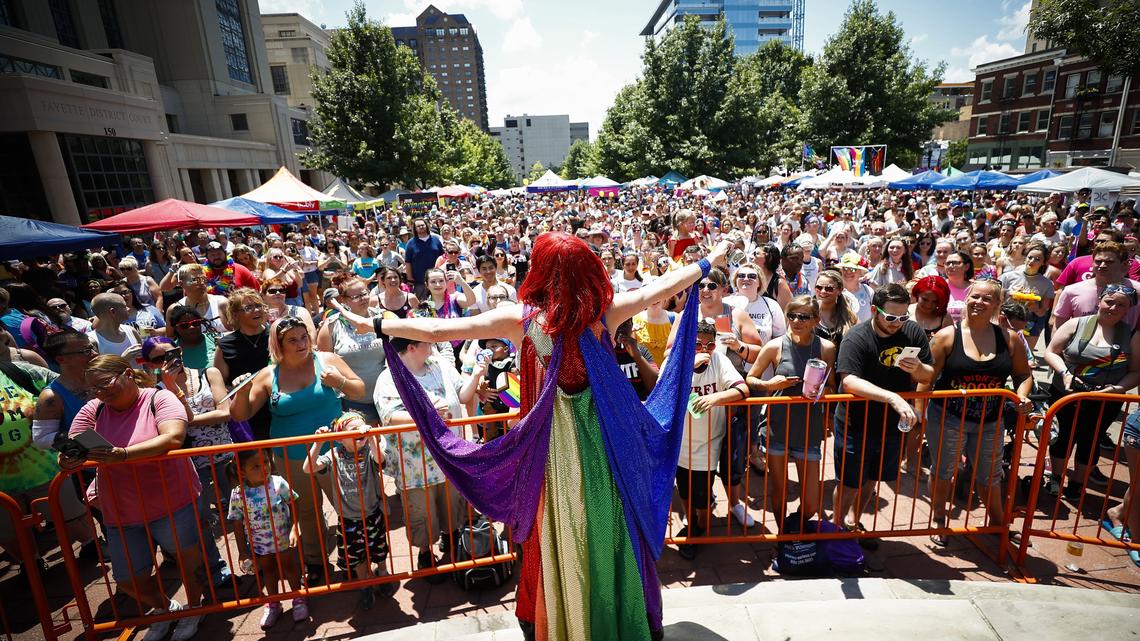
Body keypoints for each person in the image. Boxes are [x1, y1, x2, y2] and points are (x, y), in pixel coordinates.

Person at [334, 232, 730, 641]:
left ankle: (568, 622)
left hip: (550, 453)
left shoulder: (520, 320)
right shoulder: (603, 313)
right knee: (609, 529)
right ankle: (613, 619)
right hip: (607, 447)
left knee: (558, 536)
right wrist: (706, 263)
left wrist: (381, 322)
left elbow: (439, 328)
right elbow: (660, 288)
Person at [61, 355, 205, 641]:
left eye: (105, 384)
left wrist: (123, 455)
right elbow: (71, 444)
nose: (101, 393)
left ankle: (194, 609)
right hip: (120, 507)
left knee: (188, 562)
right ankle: (166, 608)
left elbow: (173, 437)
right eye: (95, 389)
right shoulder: (94, 410)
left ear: (127, 373)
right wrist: (67, 458)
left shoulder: (158, 399)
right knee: (128, 579)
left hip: (170, 498)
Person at [228, 315, 366, 584]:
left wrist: (339, 381)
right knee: (305, 510)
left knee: (349, 505)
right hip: (290, 455)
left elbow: (359, 390)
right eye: (292, 340)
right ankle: (315, 562)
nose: (301, 343)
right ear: (279, 344)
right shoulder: (269, 375)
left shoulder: (327, 360)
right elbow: (241, 414)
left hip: (335, 451)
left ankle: (355, 558)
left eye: (304, 337)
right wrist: (241, 392)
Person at [922, 279, 1034, 547]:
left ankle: (998, 523)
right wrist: (917, 416)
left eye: (987, 299)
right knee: (943, 470)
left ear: (997, 304)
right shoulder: (946, 337)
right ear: (966, 299)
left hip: (990, 420)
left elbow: (1023, 374)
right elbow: (925, 380)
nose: (979, 303)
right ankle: (939, 518)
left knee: (990, 473)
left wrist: (1022, 396)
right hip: (948, 418)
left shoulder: (1009, 339)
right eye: (975, 297)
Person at [832, 283, 934, 550]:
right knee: (850, 481)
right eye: (890, 317)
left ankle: (854, 525)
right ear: (875, 311)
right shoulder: (857, 337)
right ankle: (836, 527)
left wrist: (918, 368)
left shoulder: (913, 332)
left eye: (903, 317)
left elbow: (928, 375)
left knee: (872, 478)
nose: (897, 323)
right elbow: (850, 381)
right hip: (857, 422)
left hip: (892, 425)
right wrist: (892, 396)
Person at [372, 335, 479, 582]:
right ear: (412, 348)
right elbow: (389, 416)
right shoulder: (389, 378)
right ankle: (425, 554)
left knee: (451, 502)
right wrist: (427, 414)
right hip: (415, 465)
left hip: (448, 455)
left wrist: (476, 375)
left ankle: (452, 543)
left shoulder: (439, 365)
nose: (432, 345)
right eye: (426, 342)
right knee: (422, 509)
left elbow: (462, 395)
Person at [1042, 284, 1140, 500]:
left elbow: (1135, 371)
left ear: (1127, 310)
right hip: (1066, 393)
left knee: (1091, 439)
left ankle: (1077, 485)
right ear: (1100, 300)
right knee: (1062, 436)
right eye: (1109, 301)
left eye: (1120, 305)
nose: (1113, 307)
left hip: (1105, 399)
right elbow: (1051, 352)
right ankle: (1055, 480)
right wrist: (1065, 373)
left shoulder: (1131, 335)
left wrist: (1119, 388)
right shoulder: (1075, 324)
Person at [747, 295, 835, 531]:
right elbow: (751, 379)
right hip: (778, 426)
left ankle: (794, 527)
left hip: (810, 429)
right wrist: (771, 385)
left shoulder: (826, 348)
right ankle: (784, 537)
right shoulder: (775, 346)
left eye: (804, 316)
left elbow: (833, 385)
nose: (796, 320)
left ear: (816, 320)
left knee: (811, 504)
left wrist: (821, 390)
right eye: (792, 315)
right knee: (779, 490)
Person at [668, 318, 748, 560]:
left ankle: (698, 528)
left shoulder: (719, 360)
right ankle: (692, 522)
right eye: (697, 344)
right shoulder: (675, 360)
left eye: (709, 345)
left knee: (702, 493)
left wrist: (717, 398)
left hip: (709, 441)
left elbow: (743, 390)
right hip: (681, 442)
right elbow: (663, 392)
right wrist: (687, 368)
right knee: (684, 489)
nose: (704, 350)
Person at [302, 411, 398, 610]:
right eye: (352, 429)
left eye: (361, 427)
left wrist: (371, 437)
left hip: (372, 513)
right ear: (340, 437)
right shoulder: (334, 454)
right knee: (355, 555)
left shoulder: (370, 450)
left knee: (379, 548)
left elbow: (380, 460)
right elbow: (308, 468)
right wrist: (318, 442)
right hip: (348, 518)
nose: (359, 431)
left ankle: (382, 573)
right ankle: (364, 584)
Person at [226, 449, 307, 628]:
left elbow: (294, 502)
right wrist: (242, 552)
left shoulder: (278, 483)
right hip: (260, 544)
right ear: (242, 472)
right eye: (256, 466)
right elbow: (237, 523)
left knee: (290, 569)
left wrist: (294, 527)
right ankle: (273, 604)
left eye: (266, 462)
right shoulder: (238, 494)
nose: (264, 467)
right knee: (268, 572)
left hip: (283, 538)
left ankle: (298, 599)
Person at [316, 274, 386, 422]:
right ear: (343, 300)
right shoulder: (331, 325)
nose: (362, 299)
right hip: (352, 402)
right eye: (355, 297)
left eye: (364, 294)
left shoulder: (383, 318)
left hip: (386, 396)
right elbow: (323, 363)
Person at [213, 289, 271, 440]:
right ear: (236, 314)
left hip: (277, 406)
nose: (256, 310)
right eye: (248, 308)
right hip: (246, 411)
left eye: (258, 305)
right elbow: (220, 386)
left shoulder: (276, 336)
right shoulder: (225, 345)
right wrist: (240, 390)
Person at [169, 264, 229, 334]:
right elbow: (171, 337)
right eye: (195, 279)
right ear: (181, 284)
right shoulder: (174, 309)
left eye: (204, 279)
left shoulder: (222, 303)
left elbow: (239, 331)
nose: (201, 283)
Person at [90, 293, 141, 358]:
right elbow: (96, 368)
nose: (129, 309)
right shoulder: (93, 341)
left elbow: (144, 363)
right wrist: (123, 359)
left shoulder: (131, 331)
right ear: (113, 312)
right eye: (124, 306)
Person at [405, 218, 445, 299]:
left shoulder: (436, 240)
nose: (421, 227)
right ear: (415, 229)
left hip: (437, 279)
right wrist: (409, 277)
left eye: (423, 225)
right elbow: (408, 262)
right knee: (423, 304)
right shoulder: (410, 243)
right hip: (420, 281)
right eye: (418, 226)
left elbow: (443, 258)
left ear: (426, 226)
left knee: (439, 301)